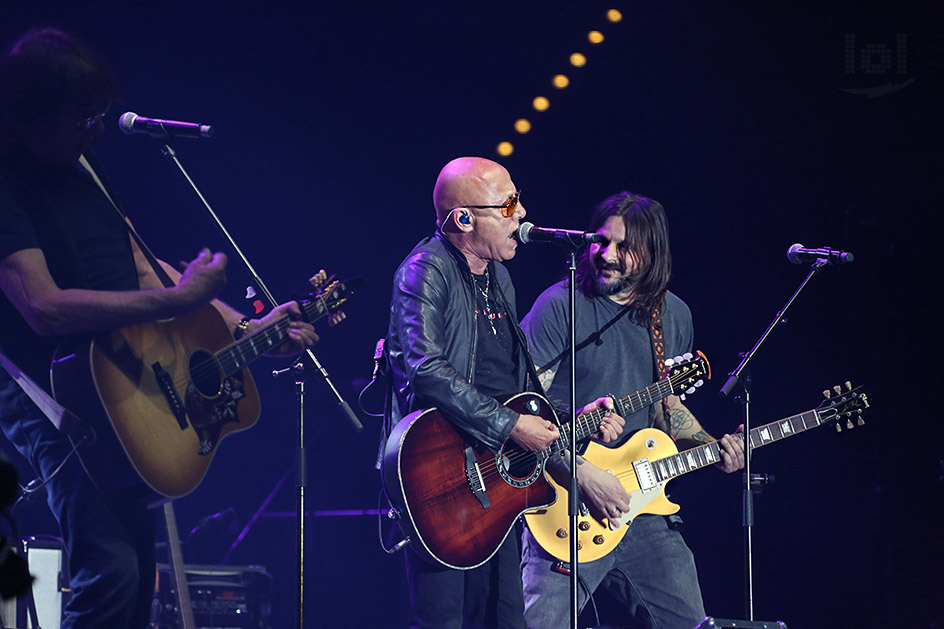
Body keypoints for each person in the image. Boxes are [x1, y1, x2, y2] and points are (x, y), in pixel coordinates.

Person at [0, 28, 317, 628]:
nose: (96, 129)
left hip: (123, 374)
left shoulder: (83, 165)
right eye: (82, 119)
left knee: (137, 572)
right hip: (48, 390)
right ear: (37, 115)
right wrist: (176, 299)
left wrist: (245, 324)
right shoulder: (7, 180)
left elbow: (143, 265)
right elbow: (43, 308)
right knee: (109, 566)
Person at [385, 156, 622, 628]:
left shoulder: (500, 278)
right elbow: (426, 369)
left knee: (505, 619)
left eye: (518, 199)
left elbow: (510, 388)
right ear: (464, 219)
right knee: (442, 619)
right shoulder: (425, 271)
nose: (522, 214)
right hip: (440, 475)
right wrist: (513, 425)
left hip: (494, 478)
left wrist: (573, 416)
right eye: (508, 204)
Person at [519, 192, 746, 629]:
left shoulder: (672, 315)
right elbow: (521, 407)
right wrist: (580, 444)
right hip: (566, 498)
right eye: (601, 241)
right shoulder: (559, 306)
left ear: (652, 253)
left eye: (624, 247)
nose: (606, 255)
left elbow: (667, 406)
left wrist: (711, 445)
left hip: (642, 507)